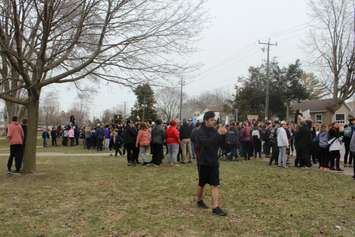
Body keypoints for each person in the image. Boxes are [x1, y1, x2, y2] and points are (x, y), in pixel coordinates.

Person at [195, 111, 228, 216]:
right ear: (206, 120)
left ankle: (215, 208)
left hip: (213, 161)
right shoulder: (199, 132)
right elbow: (207, 143)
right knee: (202, 183)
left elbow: (222, 145)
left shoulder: (214, 131)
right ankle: (199, 200)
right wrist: (218, 134)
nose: (214, 122)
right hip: (203, 162)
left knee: (215, 184)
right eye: (211, 120)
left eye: (214, 120)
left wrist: (223, 135)